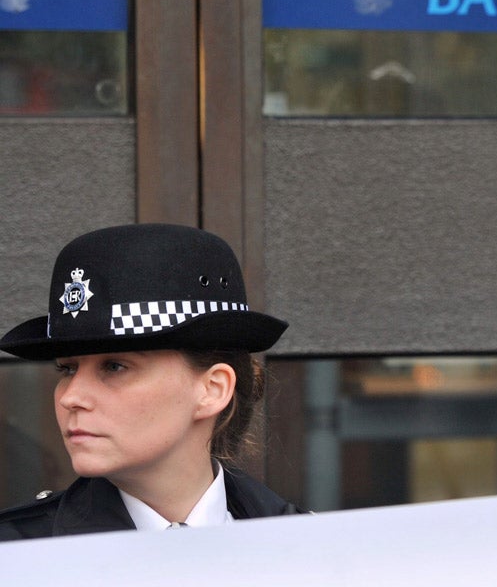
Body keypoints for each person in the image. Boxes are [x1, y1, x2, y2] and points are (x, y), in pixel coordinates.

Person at [0, 223, 304, 538]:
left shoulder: (310, 551)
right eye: (67, 369)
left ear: (213, 390)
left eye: (115, 366)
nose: (70, 397)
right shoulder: (16, 559)